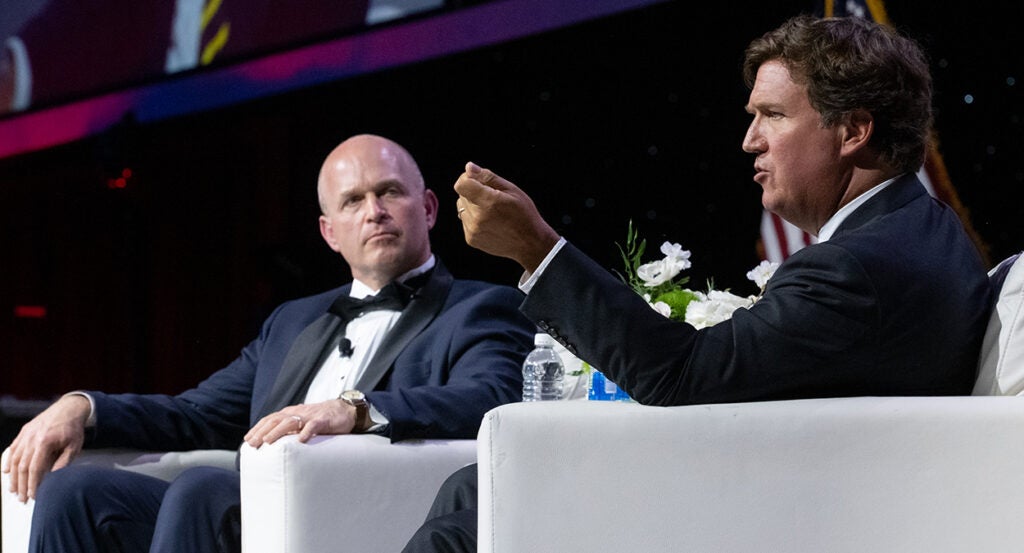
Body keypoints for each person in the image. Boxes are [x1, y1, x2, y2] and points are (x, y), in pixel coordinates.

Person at [402, 15, 994, 552]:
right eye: (752, 117)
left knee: (466, 525)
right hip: (797, 483)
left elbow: (681, 374)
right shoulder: (926, 230)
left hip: (781, 512)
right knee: (472, 488)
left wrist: (536, 248)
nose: (750, 140)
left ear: (854, 130)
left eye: (775, 115)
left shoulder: (860, 267)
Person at [2, 134, 535, 552]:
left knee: (203, 490)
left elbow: (490, 395)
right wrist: (82, 407)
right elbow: (196, 413)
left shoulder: (478, 307)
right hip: (243, 512)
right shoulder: (292, 322)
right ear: (330, 232)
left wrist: (356, 410)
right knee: (74, 492)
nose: (374, 210)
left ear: (430, 208)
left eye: (389, 192)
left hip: (360, 511)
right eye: (353, 201)